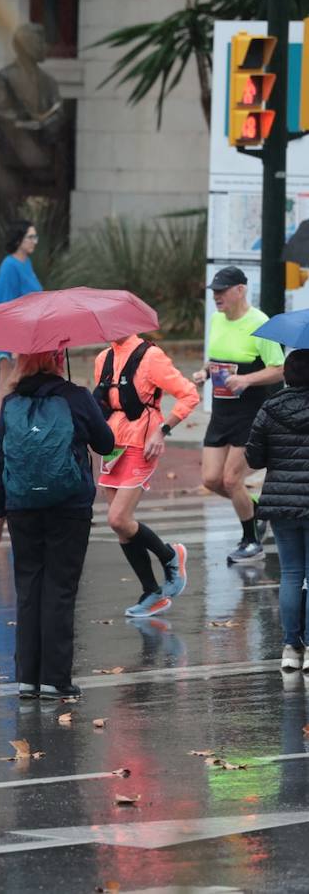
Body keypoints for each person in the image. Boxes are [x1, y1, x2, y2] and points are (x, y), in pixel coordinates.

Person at [0, 350, 114, 700]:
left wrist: (0, 510)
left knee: (28, 589)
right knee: (60, 589)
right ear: (58, 360)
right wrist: (91, 406)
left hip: (21, 508)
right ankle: (55, 679)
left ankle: (26, 679)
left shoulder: (11, 402)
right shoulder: (76, 397)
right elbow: (105, 442)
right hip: (68, 506)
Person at [92, 333, 199, 618]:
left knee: (118, 518)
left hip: (143, 442)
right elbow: (104, 403)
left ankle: (170, 556)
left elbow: (189, 393)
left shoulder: (151, 356)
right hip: (111, 444)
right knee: (120, 525)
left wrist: (163, 431)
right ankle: (152, 592)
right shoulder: (103, 358)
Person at [192, 266, 286, 564]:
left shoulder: (260, 323)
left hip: (250, 412)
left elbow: (279, 368)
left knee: (232, 480)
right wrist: (204, 372)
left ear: (240, 290)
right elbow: (216, 358)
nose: (217, 297)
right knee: (211, 480)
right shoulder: (218, 320)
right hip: (222, 412)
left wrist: (246, 380)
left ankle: (251, 541)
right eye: (214, 292)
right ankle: (257, 511)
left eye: (222, 290)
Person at [245, 349, 309, 671]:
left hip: (281, 503)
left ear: (286, 376)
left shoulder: (270, 409)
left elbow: (254, 459)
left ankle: (290, 648)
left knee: (291, 574)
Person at [0, 220, 44, 398]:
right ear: (19, 240)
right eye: (31, 237)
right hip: (11, 341)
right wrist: (11, 344)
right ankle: (1, 425)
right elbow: (2, 305)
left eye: (35, 236)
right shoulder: (9, 266)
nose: (35, 240)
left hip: (28, 337)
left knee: (20, 390)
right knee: (7, 389)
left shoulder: (26, 262)